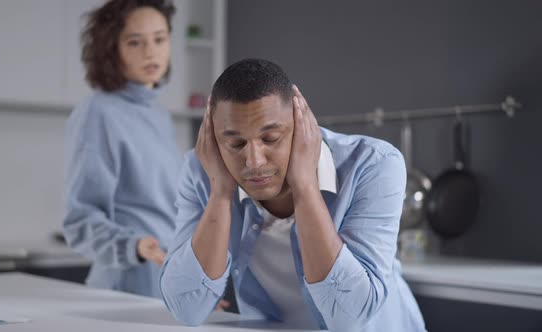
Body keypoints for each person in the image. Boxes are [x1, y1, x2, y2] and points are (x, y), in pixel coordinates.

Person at [160, 58, 426, 331]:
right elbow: (186, 309)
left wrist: (306, 187)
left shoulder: (374, 164)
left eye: (270, 138)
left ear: (299, 124)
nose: (254, 161)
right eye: (235, 143)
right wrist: (220, 193)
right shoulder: (202, 169)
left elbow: (350, 317)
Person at [62, 0, 181, 298]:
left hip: (166, 280)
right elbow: (80, 220)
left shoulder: (160, 116)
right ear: (111, 50)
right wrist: (134, 245)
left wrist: (192, 288)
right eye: (134, 42)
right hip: (127, 282)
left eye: (159, 38)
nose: (151, 51)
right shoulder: (99, 113)